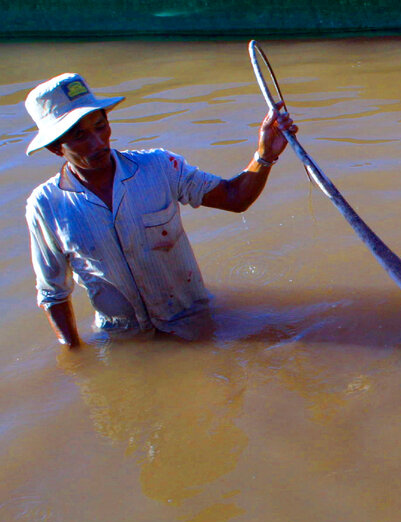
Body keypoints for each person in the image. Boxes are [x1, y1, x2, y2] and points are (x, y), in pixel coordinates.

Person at [24, 72, 297, 348]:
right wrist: (75, 357)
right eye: (80, 136)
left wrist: (265, 154)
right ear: (55, 147)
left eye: (100, 125)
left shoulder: (160, 167)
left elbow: (235, 198)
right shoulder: (45, 205)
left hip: (193, 321)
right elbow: (53, 294)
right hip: (123, 338)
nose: (98, 143)